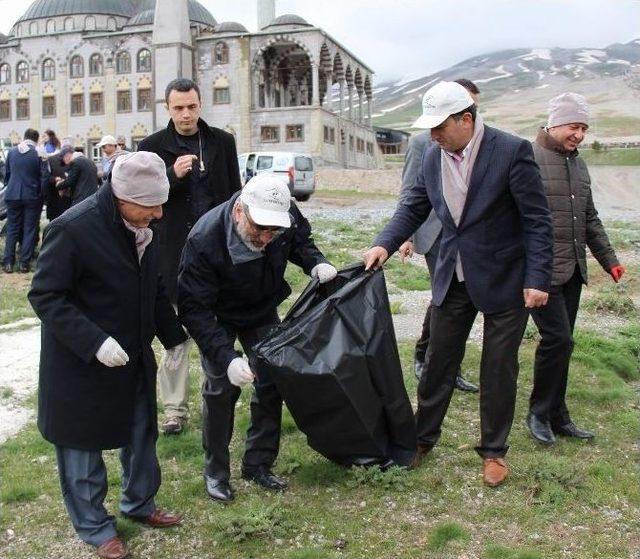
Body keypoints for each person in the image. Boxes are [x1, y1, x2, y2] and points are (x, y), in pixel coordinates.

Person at [363, 81, 553, 487]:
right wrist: (384, 243)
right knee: (438, 361)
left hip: (505, 277)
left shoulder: (511, 150)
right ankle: (421, 439)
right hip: (453, 273)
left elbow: (537, 221)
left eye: (440, 126)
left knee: (498, 366)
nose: (432, 134)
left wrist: (537, 278)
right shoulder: (433, 156)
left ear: (466, 119)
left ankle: (494, 451)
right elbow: (413, 204)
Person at [28, 151, 187, 559]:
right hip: (81, 363)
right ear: (121, 196)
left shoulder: (141, 228)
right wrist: (95, 342)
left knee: (140, 435)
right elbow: (45, 295)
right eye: (149, 207)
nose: (158, 215)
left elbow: (153, 288)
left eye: (161, 205)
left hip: (131, 355)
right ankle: (96, 528)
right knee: (81, 446)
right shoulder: (73, 229)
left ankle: (139, 503)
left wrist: (174, 338)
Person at [178, 174, 337, 502]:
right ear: (239, 211)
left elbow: (300, 242)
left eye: (273, 231)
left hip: (261, 307)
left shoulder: (282, 213)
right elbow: (194, 310)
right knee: (221, 388)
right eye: (259, 228)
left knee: (271, 382)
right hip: (217, 314)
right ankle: (216, 473)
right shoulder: (204, 240)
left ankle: (258, 463)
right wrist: (227, 357)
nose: (266, 237)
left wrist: (316, 263)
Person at [139, 78, 242, 435]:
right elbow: (141, 199)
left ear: (201, 105)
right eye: (178, 108)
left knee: (218, 328)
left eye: (192, 107)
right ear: (167, 108)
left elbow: (234, 196)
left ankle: (218, 397)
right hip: (171, 255)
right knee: (175, 335)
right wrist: (172, 175)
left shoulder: (222, 142)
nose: (186, 114)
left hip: (216, 254)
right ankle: (174, 409)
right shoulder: (151, 146)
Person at [526, 93, 625, 445]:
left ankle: (558, 414)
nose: (579, 134)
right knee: (558, 339)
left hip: (572, 272)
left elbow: (589, 218)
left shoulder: (578, 164)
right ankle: (538, 412)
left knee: (563, 345)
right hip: (540, 272)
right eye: (573, 126)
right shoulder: (528, 157)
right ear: (553, 123)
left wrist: (609, 260)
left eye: (583, 128)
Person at [398, 78, 480, 392]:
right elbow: (409, 192)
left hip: (467, 236)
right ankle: (431, 359)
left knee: (453, 298)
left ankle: (440, 361)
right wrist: (404, 236)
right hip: (435, 234)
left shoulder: (479, 141)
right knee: (445, 297)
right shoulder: (423, 143)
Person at [2, 128, 49, 273]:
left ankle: (8, 263)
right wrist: (42, 195)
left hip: (12, 195)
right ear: (35, 140)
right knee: (29, 229)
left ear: (24, 137)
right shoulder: (39, 152)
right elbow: (45, 177)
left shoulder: (13, 151)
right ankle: (24, 263)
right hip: (31, 196)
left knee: (12, 228)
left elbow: (7, 174)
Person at [45, 145, 73, 221]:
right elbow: (46, 177)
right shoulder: (51, 160)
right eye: (67, 156)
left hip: (68, 199)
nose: (69, 159)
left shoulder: (73, 162)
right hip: (54, 198)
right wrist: (55, 179)